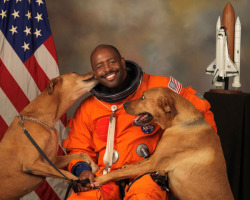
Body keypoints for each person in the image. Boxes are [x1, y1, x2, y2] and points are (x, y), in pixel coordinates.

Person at [62, 44, 217, 200]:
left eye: (112, 62)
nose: (108, 69)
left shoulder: (158, 87)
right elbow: (77, 147)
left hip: (147, 174)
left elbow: (199, 110)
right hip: (104, 178)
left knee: (145, 195)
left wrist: (197, 156)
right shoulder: (88, 108)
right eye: (100, 66)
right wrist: (82, 170)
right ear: (94, 73)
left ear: (122, 63)